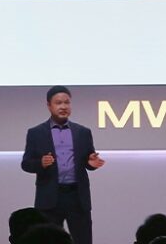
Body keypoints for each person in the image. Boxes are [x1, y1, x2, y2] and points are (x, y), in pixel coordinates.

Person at [21, 86, 105, 244]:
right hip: (50, 198)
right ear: (49, 105)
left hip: (77, 198)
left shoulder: (83, 132)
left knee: (83, 241)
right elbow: (26, 163)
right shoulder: (36, 133)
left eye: (67, 102)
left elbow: (88, 160)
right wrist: (40, 163)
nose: (63, 106)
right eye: (58, 103)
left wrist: (91, 163)